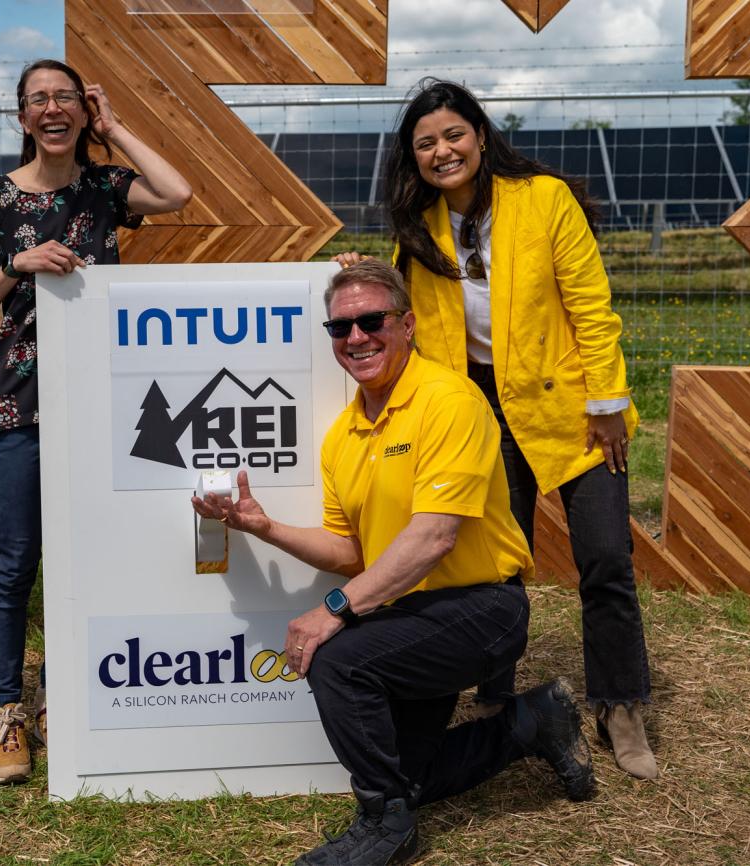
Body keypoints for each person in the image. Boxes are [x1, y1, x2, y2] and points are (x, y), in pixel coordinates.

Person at [192, 261, 595, 866]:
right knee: (414, 773)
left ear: (406, 325)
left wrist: (333, 609)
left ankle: (384, 826)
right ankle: (531, 722)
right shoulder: (343, 435)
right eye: (341, 327)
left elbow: (434, 537)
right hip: (410, 613)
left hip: (484, 607)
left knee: (336, 659)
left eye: (372, 321)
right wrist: (264, 527)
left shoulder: (449, 401)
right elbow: (351, 551)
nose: (356, 337)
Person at [338, 78, 656, 780]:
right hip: (478, 411)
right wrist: (357, 271)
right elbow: (392, 303)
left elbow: (592, 306)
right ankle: (495, 688)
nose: (442, 150)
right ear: (413, 158)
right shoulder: (416, 224)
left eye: (453, 134)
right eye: (426, 143)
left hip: (571, 408)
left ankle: (621, 704)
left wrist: (607, 401)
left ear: (481, 135)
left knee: (604, 558)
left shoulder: (545, 199)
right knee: (492, 563)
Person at [0, 59, 191, 784]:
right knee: (16, 560)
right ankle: (5, 713)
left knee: (84, 558)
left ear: (82, 110)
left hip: (98, 403)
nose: (52, 109)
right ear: (22, 117)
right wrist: (16, 266)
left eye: (66, 98)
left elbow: (177, 192)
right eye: (38, 100)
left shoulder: (103, 188)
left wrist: (114, 128)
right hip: (18, 403)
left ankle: (60, 692)